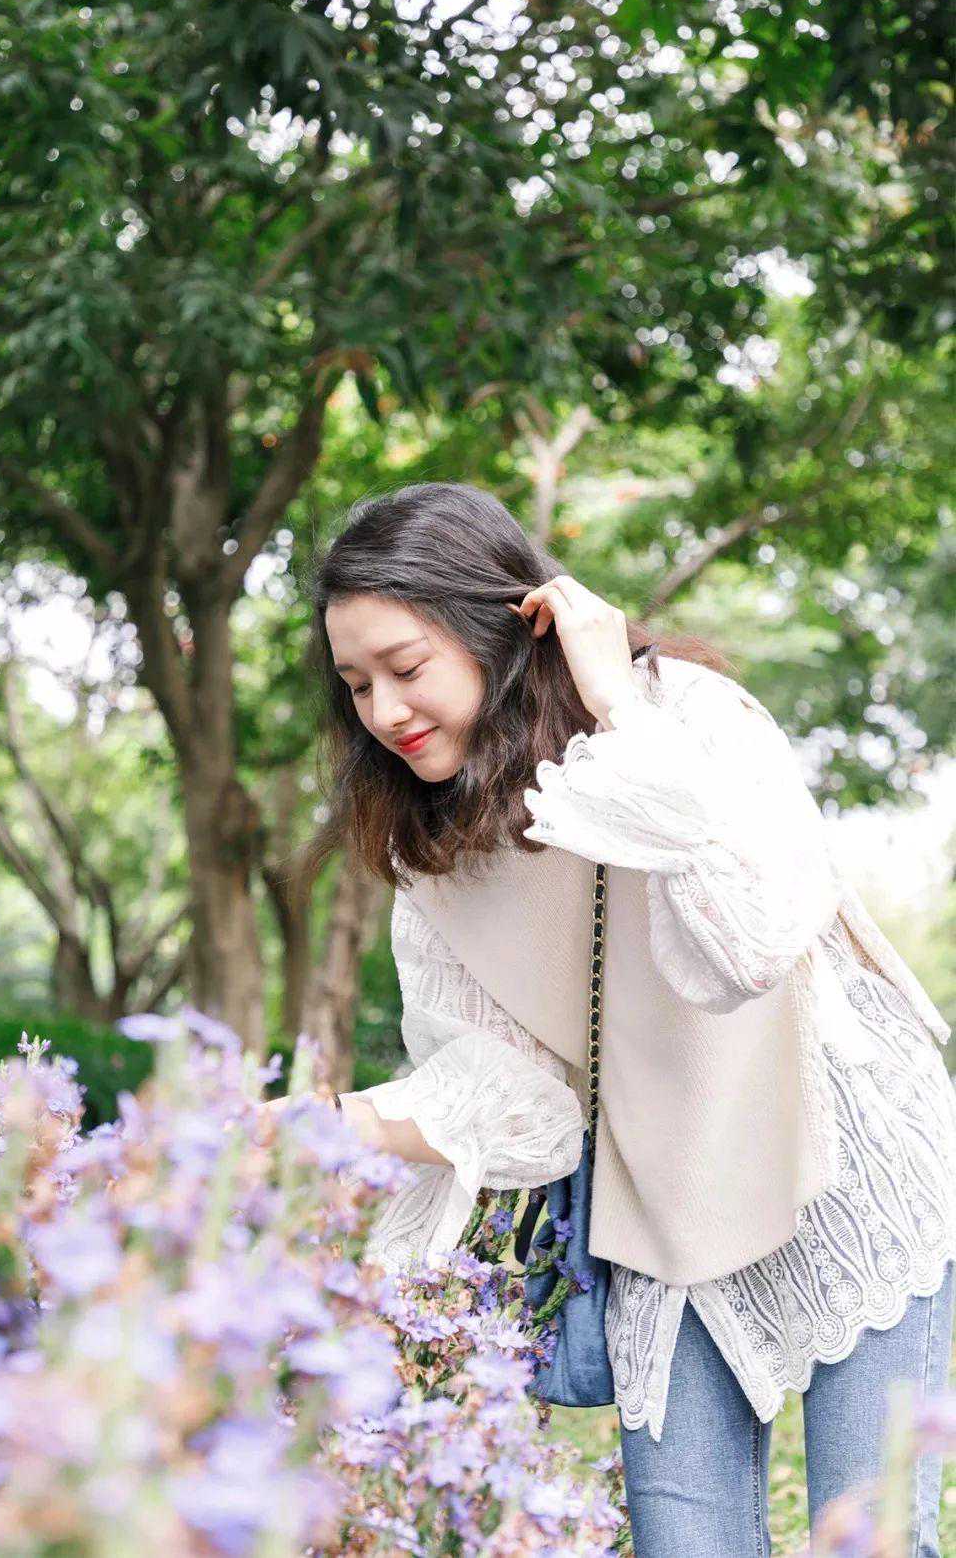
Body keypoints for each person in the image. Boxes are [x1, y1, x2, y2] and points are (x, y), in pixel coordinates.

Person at [274, 482, 956, 1558]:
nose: (386, 712)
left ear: (503, 627)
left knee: (869, 1538)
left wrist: (618, 710)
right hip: (658, 1207)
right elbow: (525, 1107)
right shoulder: (435, 854)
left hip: (844, 1167)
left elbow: (750, 943)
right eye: (357, 686)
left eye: (406, 668)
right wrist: (329, 1125)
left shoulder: (692, 715)